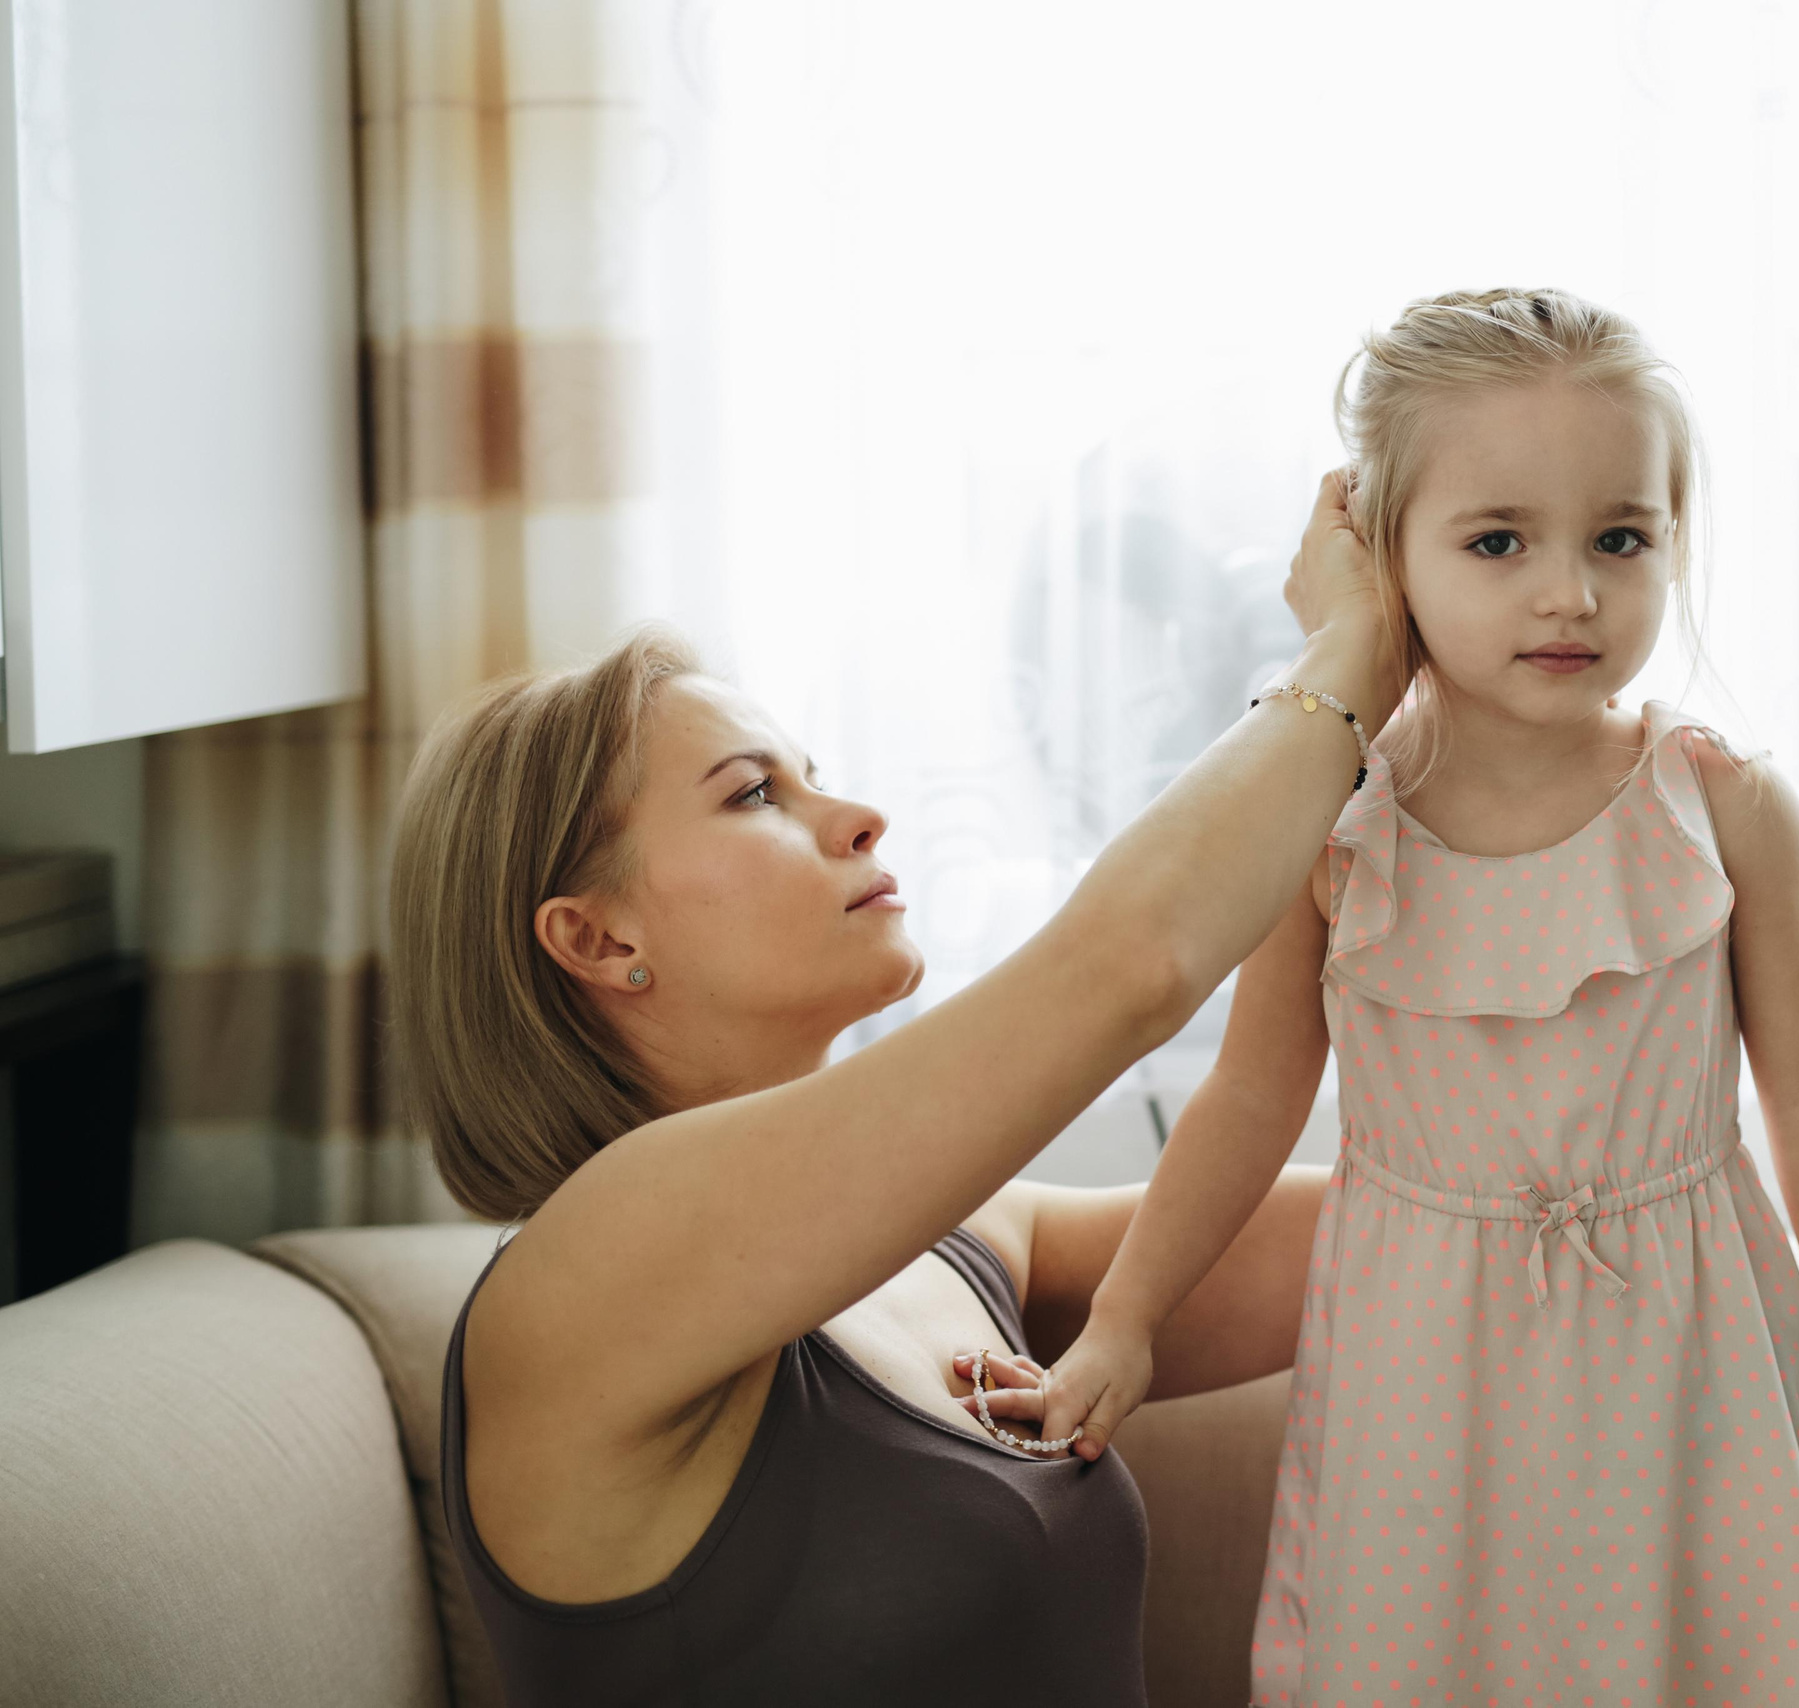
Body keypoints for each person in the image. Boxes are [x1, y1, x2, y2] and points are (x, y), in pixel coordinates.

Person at [1035, 288, 1799, 1705]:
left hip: (1697, 1361)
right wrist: (1126, 1318)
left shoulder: (1728, 810)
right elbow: (1255, 1090)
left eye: (1620, 539)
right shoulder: (1328, 825)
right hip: (1428, 1376)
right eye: (1499, 541)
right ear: (1379, 554)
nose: (1569, 591)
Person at [387, 477, 1397, 1707]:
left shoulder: (962, 1241)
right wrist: (1345, 658)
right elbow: (1130, 968)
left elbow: (1405, 1233)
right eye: (754, 793)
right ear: (597, 941)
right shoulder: (596, 1269)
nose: (859, 815)